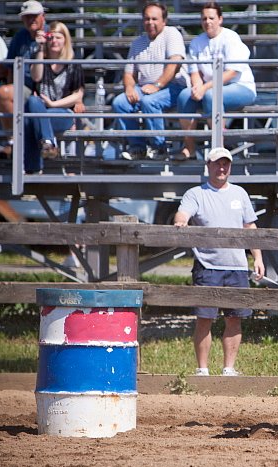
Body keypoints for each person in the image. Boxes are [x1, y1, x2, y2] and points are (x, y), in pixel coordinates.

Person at [173, 147, 265, 376]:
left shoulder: (240, 194)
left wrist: (258, 257)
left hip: (237, 266)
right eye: (217, 163)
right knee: (205, 318)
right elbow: (182, 213)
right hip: (207, 265)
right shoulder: (196, 193)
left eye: (226, 164)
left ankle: (229, 368)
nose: (221, 168)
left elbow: (250, 227)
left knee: (235, 318)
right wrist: (181, 222)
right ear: (208, 166)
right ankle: (202, 369)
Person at [175, 2, 256, 161]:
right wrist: (197, 87)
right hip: (209, 89)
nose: (207, 22)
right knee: (184, 96)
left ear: (220, 19)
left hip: (241, 87)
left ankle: (219, 148)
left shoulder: (231, 37)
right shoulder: (196, 42)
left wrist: (204, 88)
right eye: (204, 18)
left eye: (211, 18)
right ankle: (189, 148)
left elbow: (232, 73)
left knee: (212, 96)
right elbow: (194, 71)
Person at [112, 2, 188, 161]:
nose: (150, 22)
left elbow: (175, 64)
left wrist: (157, 85)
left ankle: (159, 147)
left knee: (149, 102)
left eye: (154, 18)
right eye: (147, 19)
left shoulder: (172, 34)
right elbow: (129, 72)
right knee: (120, 102)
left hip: (173, 86)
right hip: (145, 86)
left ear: (164, 21)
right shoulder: (137, 43)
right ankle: (137, 148)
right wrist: (129, 88)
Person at [23, 21, 83, 174]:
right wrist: (40, 49)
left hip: (63, 113)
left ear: (65, 40)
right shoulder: (41, 59)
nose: (54, 41)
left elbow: (78, 95)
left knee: (30, 120)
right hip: (41, 110)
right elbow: (36, 77)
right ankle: (48, 143)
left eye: (58, 37)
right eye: (51, 38)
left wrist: (53, 104)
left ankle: (33, 168)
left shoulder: (73, 63)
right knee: (32, 102)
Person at [0, 1, 48, 158]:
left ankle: (13, 142)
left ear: (43, 17)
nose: (30, 20)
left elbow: (65, 65)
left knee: (4, 93)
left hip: (48, 88)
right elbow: (10, 67)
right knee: (5, 93)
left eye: (34, 16)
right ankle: (13, 141)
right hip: (23, 86)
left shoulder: (53, 35)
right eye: (26, 17)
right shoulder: (20, 36)